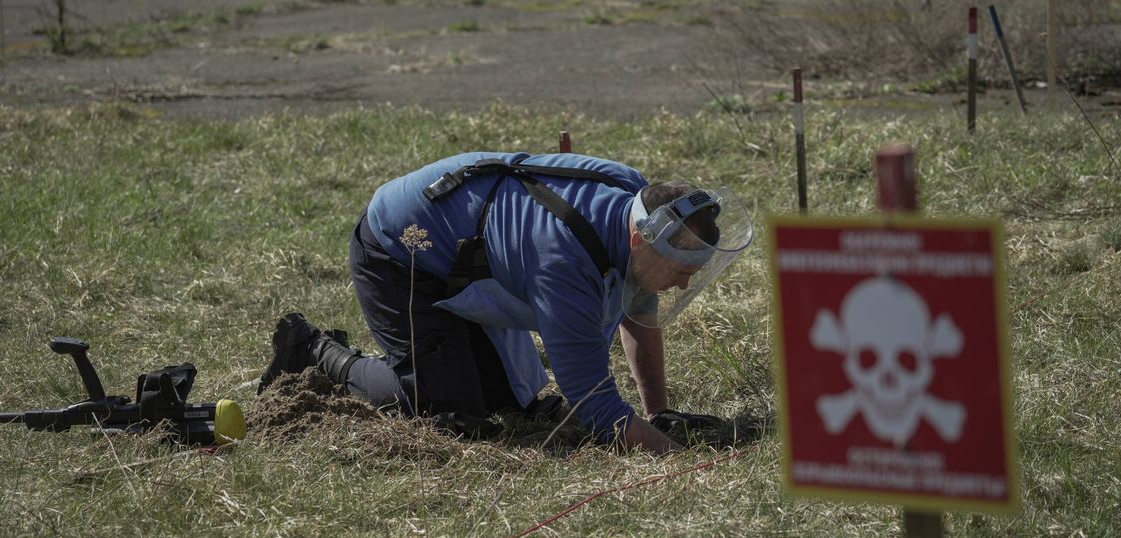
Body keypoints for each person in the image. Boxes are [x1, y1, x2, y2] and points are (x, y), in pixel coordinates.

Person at [259, 151, 753, 453]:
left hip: (470, 254)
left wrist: (659, 413)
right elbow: (595, 407)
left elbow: (640, 306)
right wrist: (675, 456)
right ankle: (316, 352)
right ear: (642, 241)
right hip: (399, 252)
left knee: (509, 402)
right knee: (447, 408)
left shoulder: (634, 203)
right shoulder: (564, 262)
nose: (684, 288)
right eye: (682, 274)